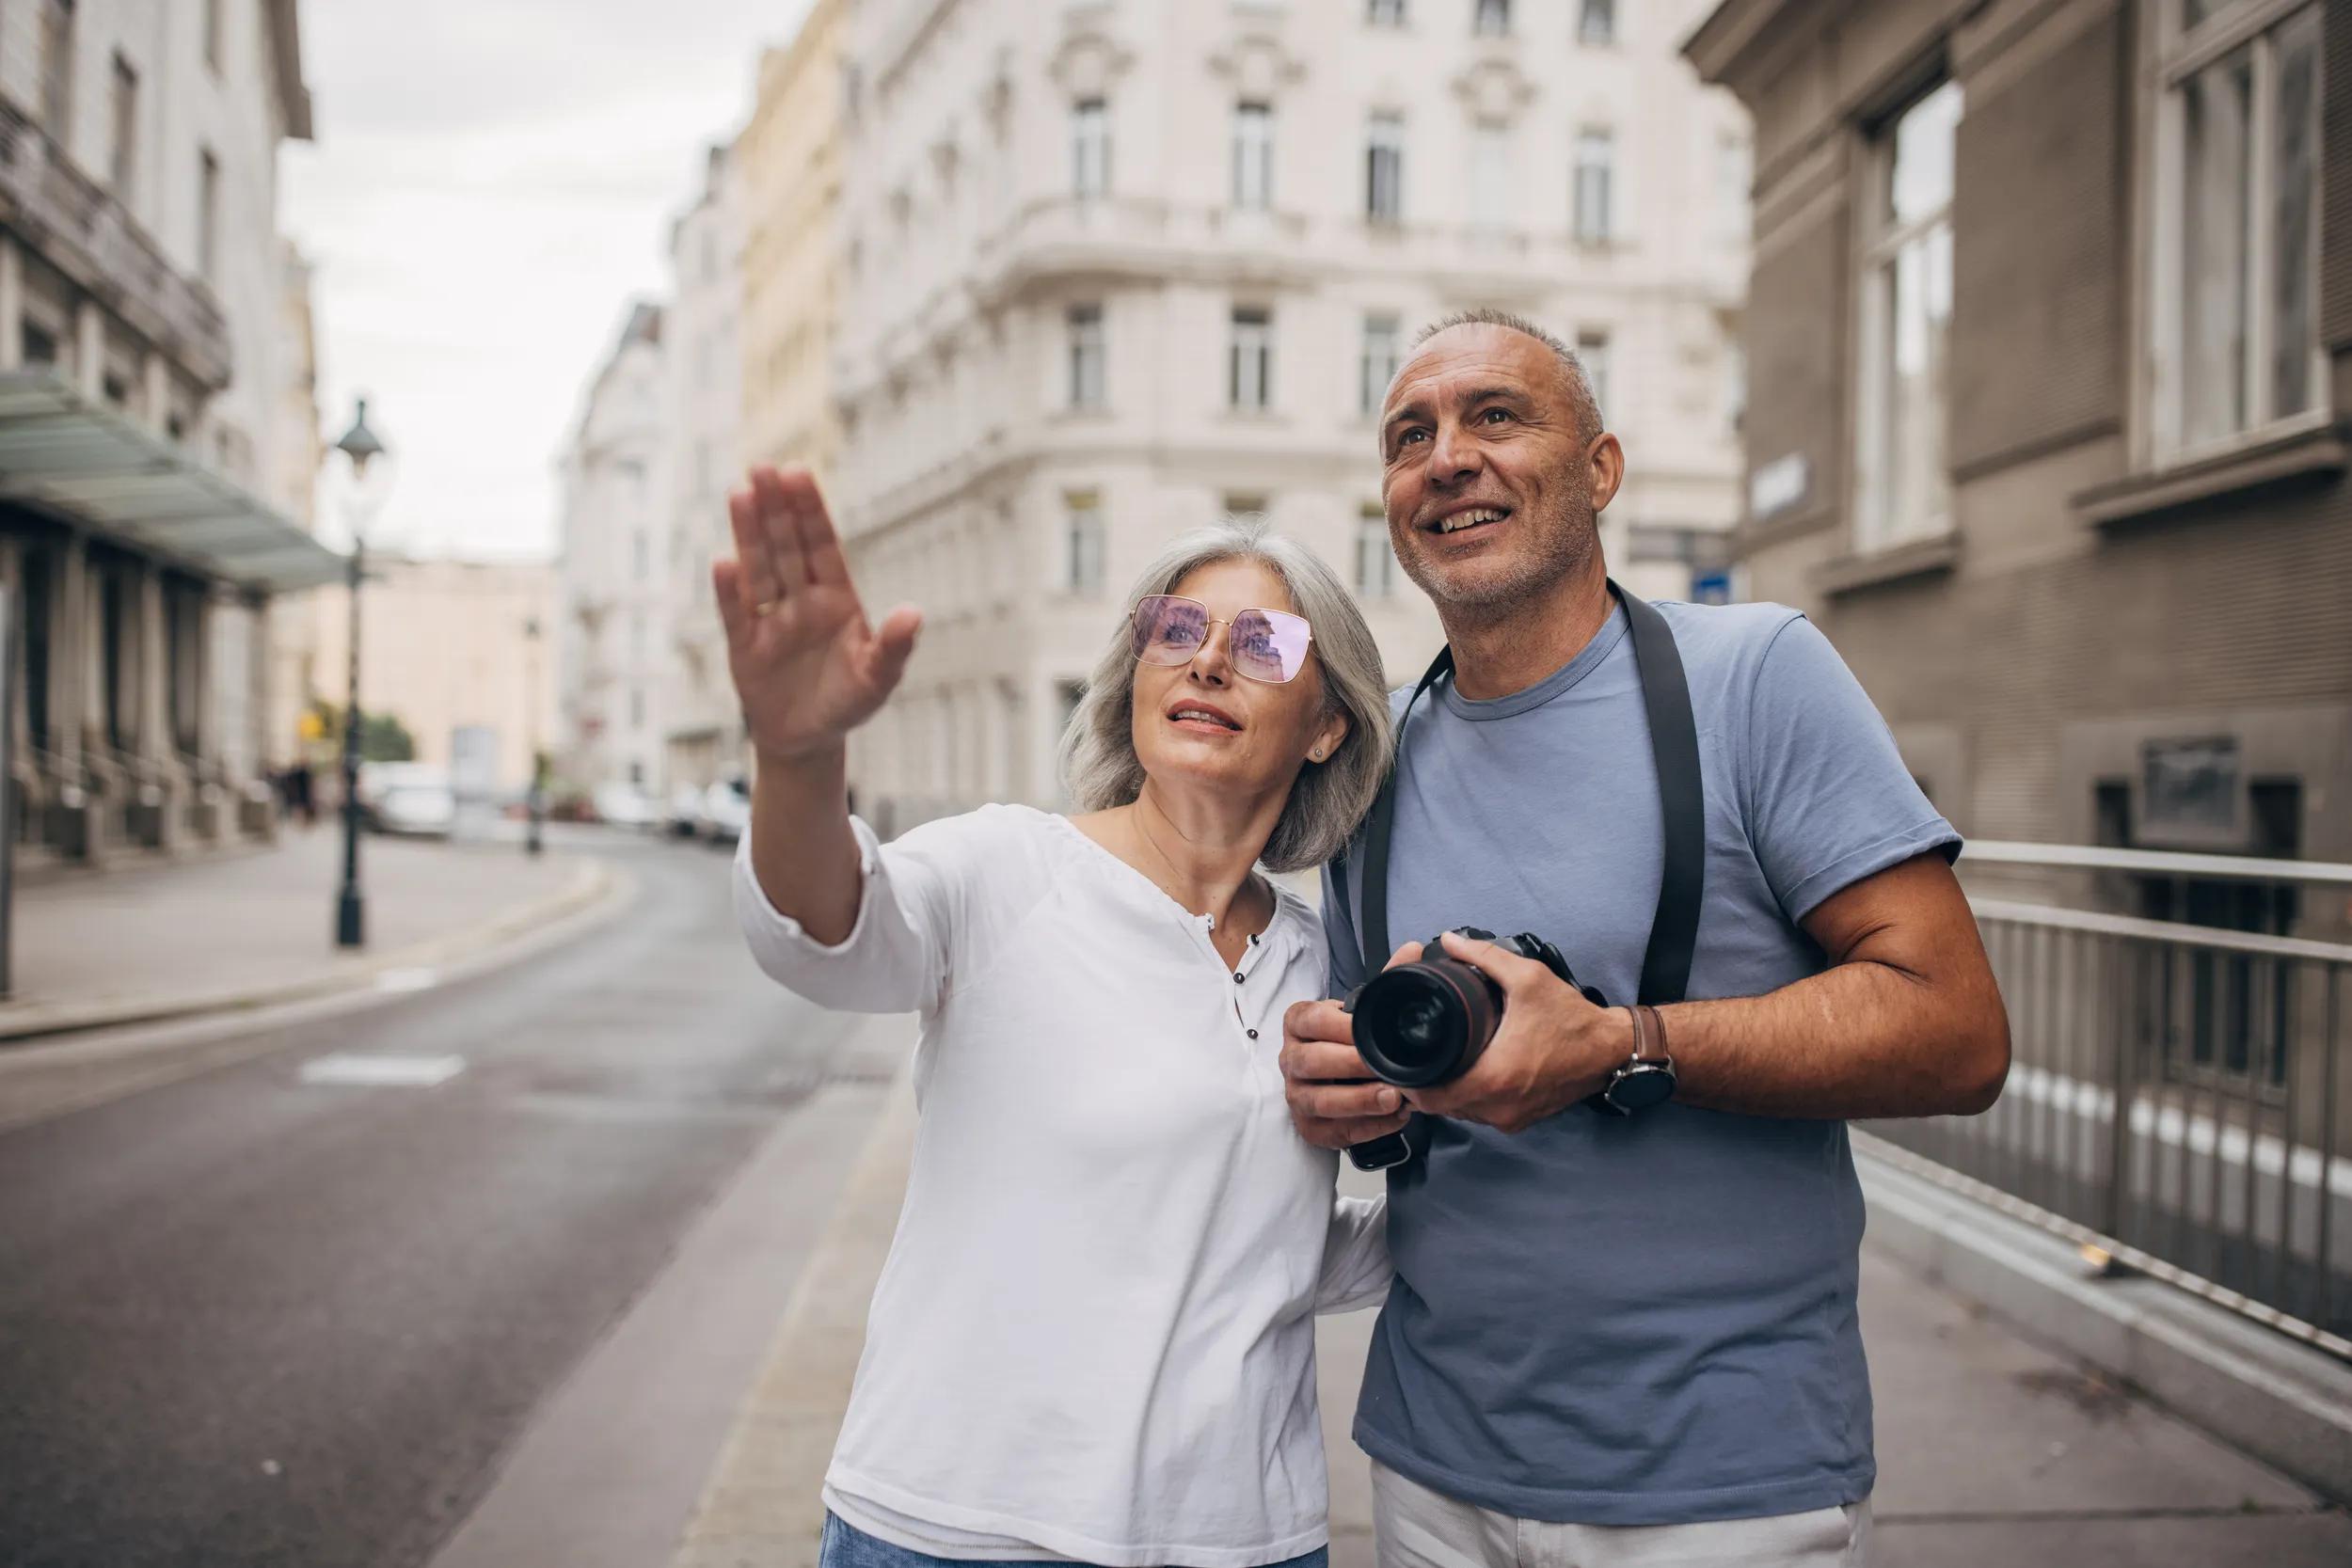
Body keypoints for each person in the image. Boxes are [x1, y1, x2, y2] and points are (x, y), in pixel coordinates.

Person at [1280, 311, 2010, 1568]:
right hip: (1429, 1464)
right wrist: (1346, 1085)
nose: (1448, 456)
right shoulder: (1374, 756)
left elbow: (1957, 1032)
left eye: (1497, 415)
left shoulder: (1756, 676)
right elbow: (1396, 1077)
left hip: (1721, 1478)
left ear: (1602, 469)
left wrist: (1624, 1041)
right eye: (1411, 435)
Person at [717, 466, 1400, 1568]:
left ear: (1326, 725)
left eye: (1260, 642)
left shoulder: (1324, 961)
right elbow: (824, 932)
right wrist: (797, 757)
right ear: (1136, 671)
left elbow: (1259, 1245)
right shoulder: (1006, 867)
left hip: (1244, 1540)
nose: (1208, 658)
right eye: (1176, 627)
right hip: (958, 1526)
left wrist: (1509, 1195)